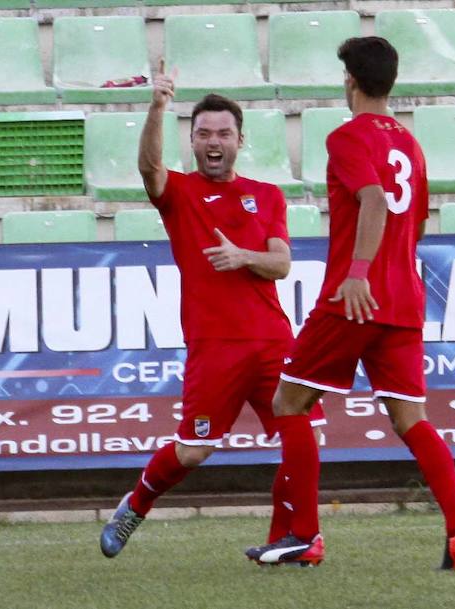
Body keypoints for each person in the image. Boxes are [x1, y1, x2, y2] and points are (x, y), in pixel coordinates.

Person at [244, 37, 455, 570]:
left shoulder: (347, 137)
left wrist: (357, 273)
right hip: (403, 298)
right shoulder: (411, 144)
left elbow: (372, 199)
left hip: (355, 297)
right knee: (411, 419)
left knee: (288, 404)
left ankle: (304, 535)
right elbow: (417, 221)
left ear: (349, 79)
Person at [100, 66, 325, 558]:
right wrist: (158, 107)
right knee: (195, 450)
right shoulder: (180, 194)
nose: (213, 141)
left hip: (271, 340)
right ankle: (136, 505)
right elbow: (149, 170)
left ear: (240, 139)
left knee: (299, 432)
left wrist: (244, 257)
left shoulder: (266, 195)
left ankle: (298, 539)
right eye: (203, 134)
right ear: (194, 141)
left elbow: (283, 263)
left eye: (223, 133)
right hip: (214, 347)